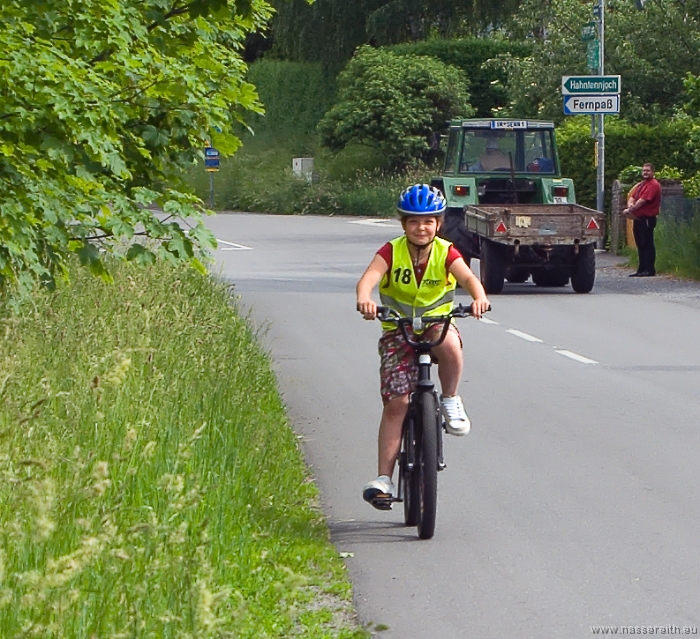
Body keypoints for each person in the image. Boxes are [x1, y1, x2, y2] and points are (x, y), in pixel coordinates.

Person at [355, 184, 490, 509]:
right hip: (398, 331)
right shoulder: (391, 251)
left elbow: (469, 279)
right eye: (414, 222)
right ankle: (384, 479)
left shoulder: (446, 251)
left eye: (428, 221)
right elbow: (369, 277)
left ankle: (450, 399)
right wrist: (365, 299)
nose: (421, 228)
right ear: (403, 224)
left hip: (435, 324)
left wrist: (479, 298)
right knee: (397, 403)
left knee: (449, 344)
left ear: (438, 223)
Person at [623, 163, 662, 277]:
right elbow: (632, 197)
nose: (645, 172)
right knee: (640, 243)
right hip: (638, 218)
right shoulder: (641, 185)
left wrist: (630, 209)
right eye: (644, 170)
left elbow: (642, 201)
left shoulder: (653, 185)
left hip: (647, 218)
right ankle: (641, 269)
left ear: (653, 172)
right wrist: (630, 206)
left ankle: (649, 269)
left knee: (647, 243)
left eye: (648, 171)